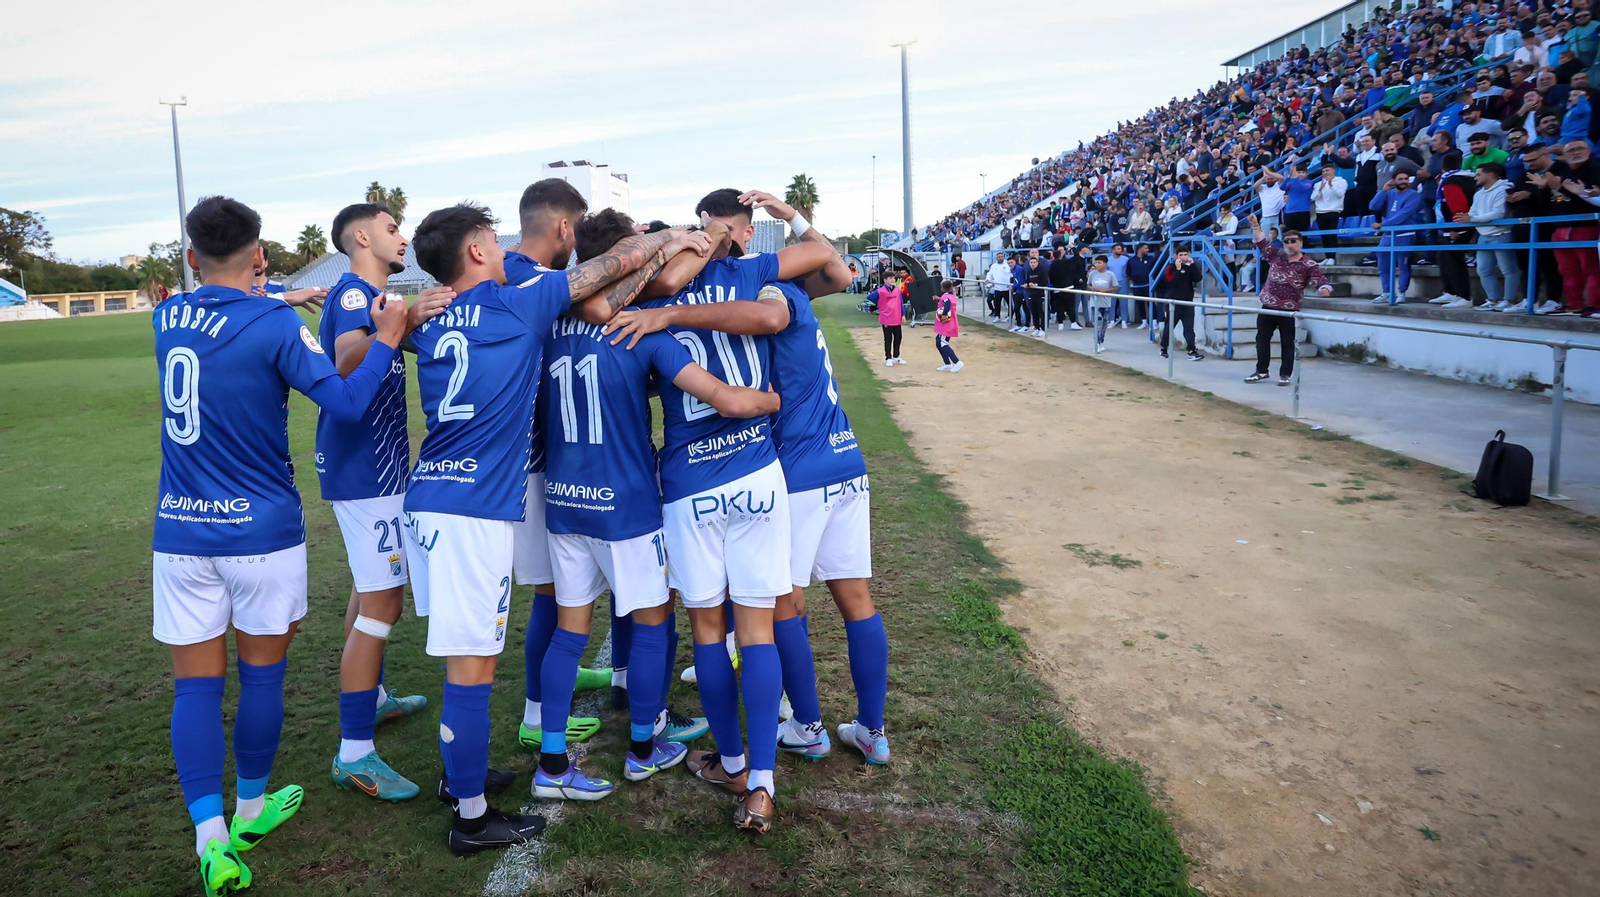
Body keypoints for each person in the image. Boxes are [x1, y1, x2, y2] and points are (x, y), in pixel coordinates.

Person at [153, 196, 426, 893]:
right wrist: (389, 337)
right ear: (261, 255)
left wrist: (279, 290)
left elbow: (220, 296)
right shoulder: (275, 323)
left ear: (190, 258)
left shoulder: (169, 316)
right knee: (262, 676)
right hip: (260, 533)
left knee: (196, 685)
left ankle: (211, 836)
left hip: (180, 535)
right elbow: (343, 400)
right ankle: (250, 806)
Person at [405, 202, 690, 854]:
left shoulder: (430, 314)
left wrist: (386, 316)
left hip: (432, 498)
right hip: (470, 512)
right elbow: (607, 272)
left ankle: (463, 779)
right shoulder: (518, 304)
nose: (501, 248)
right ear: (477, 253)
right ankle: (472, 817)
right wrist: (670, 237)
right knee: (471, 670)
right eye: (490, 240)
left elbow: (363, 343)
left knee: (472, 660)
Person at [530, 209, 776, 803]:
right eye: (639, 252)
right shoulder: (638, 328)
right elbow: (720, 397)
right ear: (620, 259)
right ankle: (644, 748)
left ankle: (552, 759)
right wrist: (769, 400)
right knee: (650, 620)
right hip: (626, 501)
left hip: (564, 500)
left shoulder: (548, 321)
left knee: (569, 631)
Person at [628, 188, 840, 832]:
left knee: (709, 635)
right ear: (738, 234)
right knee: (757, 629)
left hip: (690, 483)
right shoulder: (751, 272)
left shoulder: (656, 296)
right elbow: (824, 257)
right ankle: (764, 786)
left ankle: (733, 760)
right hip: (757, 473)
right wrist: (775, 220)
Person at [318, 202, 436, 803]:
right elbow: (344, 360)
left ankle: (378, 695)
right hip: (368, 474)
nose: (403, 237)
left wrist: (405, 322)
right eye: (392, 229)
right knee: (383, 604)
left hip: (369, 468)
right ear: (362, 237)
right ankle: (354, 754)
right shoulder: (352, 296)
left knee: (370, 590)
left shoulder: (373, 298)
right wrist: (399, 323)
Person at [502, 181, 622, 759]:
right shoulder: (527, 275)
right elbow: (597, 304)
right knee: (552, 594)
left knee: (561, 592)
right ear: (565, 228)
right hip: (526, 464)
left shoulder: (502, 271)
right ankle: (535, 716)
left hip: (537, 457)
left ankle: (554, 690)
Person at [1243, 214, 1332, 386]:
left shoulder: (1308, 264)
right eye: (1286, 241)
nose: (1289, 245)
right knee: (1262, 339)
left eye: (1293, 241)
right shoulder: (1276, 255)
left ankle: (1285, 375)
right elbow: (1261, 241)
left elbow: (1319, 279)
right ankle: (1261, 371)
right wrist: (1255, 224)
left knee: (1287, 343)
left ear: (1300, 243)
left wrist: (1324, 288)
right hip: (1268, 306)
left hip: (1289, 311)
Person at [1458, 161, 1520, 310]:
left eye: (1479, 174)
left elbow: (1499, 213)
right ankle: (1493, 299)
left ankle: (1508, 300)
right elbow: (1473, 211)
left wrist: (1472, 219)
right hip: (1483, 236)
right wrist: (1469, 217)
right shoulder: (1478, 193)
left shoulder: (1504, 190)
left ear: (1490, 175)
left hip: (1502, 234)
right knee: (1483, 270)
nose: (1475, 177)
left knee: (1508, 269)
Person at [1370, 170, 1425, 304]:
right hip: (1388, 235)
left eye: (1406, 179)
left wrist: (1383, 224)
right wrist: (1383, 191)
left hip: (1404, 235)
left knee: (1403, 266)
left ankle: (1401, 293)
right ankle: (1387, 292)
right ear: (1394, 181)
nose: (1404, 181)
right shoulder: (1389, 194)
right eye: (1400, 179)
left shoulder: (1414, 195)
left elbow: (1404, 214)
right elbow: (1373, 206)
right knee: (1383, 265)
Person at [1160, 246, 1204, 361]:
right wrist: (1179, 270)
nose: (1183, 257)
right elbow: (1170, 283)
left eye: (1185, 255)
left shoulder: (1190, 267)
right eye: (1181, 255)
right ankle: (1164, 348)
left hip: (1187, 303)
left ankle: (1191, 351)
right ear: (1176, 256)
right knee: (1169, 327)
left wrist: (1193, 264)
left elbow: (1198, 278)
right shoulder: (1171, 268)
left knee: (1189, 329)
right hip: (1173, 303)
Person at [1312, 162, 1349, 261]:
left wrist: (1331, 185)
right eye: (1323, 171)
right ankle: (1327, 257)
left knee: (1331, 234)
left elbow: (1340, 194)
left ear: (1333, 171)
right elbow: (1313, 197)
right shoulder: (1318, 184)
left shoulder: (1341, 181)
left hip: (1333, 210)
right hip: (1320, 212)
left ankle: (1332, 257)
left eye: (1327, 170)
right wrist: (1320, 189)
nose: (1325, 173)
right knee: (1324, 236)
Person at [1085, 255, 1118, 354]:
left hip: (1106, 302)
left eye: (1099, 262)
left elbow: (1115, 287)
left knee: (1104, 324)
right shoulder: (1093, 274)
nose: (1097, 264)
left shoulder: (1110, 274)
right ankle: (1097, 343)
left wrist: (1104, 291)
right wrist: (1092, 289)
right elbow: (1088, 284)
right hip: (1095, 302)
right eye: (1096, 262)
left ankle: (1101, 341)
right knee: (1097, 323)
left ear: (1105, 264)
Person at [1126, 243, 1156, 329]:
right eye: (1145, 248)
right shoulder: (1131, 260)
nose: (1148, 250)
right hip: (1137, 286)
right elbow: (1128, 273)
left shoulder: (1151, 259)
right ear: (1140, 249)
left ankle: (1154, 322)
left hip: (1148, 285)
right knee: (1140, 304)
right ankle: (1144, 322)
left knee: (1151, 303)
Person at [935, 279, 963, 371]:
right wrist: (939, 299)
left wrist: (944, 315)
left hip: (947, 324)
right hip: (948, 324)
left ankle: (957, 362)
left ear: (942, 288)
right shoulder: (951, 296)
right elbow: (946, 300)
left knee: (943, 343)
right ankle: (947, 363)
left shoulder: (946, 298)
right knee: (938, 341)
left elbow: (947, 304)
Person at [878, 274, 905, 363]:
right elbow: (870, 298)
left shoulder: (897, 289)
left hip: (896, 317)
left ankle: (896, 356)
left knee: (898, 337)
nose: (893, 280)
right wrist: (879, 307)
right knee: (888, 339)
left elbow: (901, 302)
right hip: (886, 318)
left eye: (893, 278)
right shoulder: (880, 291)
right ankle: (888, 358)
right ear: (885, 280)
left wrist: (903, 315)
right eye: (890, 278)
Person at [985, 253, 1010, 322]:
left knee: (1009, 304)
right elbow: (990, 274)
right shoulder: (994, 266)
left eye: (1002, 257)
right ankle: (997, 316)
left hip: (1006, 288)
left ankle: (1009, 316)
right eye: (999, 257)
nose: (1000, 258)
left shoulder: (1007, 264)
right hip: (997, 288)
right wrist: (988, 279)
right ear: (997, 258)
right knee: (997, 303)